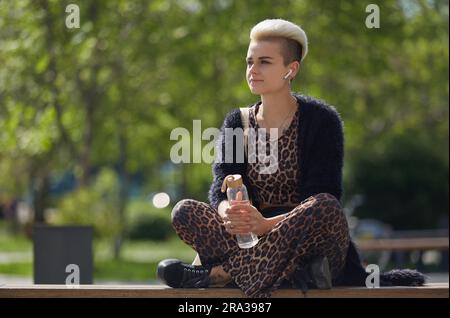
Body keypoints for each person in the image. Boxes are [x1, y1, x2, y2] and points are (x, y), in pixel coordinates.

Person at [157, 19, 425, 298]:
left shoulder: (322, 120)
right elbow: (219, 190)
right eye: (249, 62)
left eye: (264, 62)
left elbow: (323, 194)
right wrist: (230, 214)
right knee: (185, 211)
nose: (253, 70)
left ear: (290, 69)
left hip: (307, 242)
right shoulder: (237, 122)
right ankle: (275, 273)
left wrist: (265, 224)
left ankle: (226, 273)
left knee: (326, 207)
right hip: (248, 240)